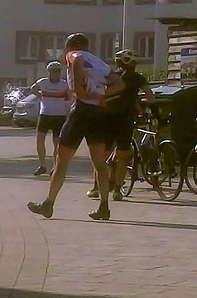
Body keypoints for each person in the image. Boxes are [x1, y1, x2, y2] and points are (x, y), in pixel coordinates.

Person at [28, 33, 125, 222]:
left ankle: (48, 203)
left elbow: (77, 59)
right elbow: (120, 83)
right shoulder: (100, 63)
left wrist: (79, 87)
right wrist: (102, 96)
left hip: (80, 112)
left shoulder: (74, 55)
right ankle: (104, 206)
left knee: (61, 160)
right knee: (99, 162)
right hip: (97, 113)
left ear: (69, 47)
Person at [93, 48, 151, 200]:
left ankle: (95, 187)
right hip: (125, 120)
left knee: (101, 155)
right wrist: (148, 109)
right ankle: (118, 190)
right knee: (123, 155)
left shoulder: (111, 77)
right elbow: (150, 97)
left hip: (107, 118)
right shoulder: (138, 78)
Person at [28, 61, 73, 176]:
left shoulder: (64, 84)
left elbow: (69, 98)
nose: (56, 74)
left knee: (57, 143)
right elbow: (33, 88)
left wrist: (68, 112)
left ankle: (55, 167)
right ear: (49, 72)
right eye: (53, 72)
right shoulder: (43, 82)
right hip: (45, 114)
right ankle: (42, 165)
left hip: (59, 116)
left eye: (58, 71)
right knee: (39, 139)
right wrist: (40, 95)